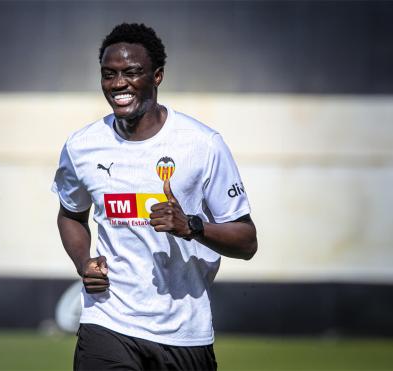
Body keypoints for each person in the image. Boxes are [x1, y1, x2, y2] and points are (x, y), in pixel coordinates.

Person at [52, 23, 257, 371]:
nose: (118, 84)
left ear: (157, 76)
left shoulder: (202, 144)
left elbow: (247, 241)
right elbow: (71, 214)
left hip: (184, 332)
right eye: (109, 74)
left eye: (131, 73)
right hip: (107, 321)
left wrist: (192, 226)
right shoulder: (82, 146)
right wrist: (83, 262)